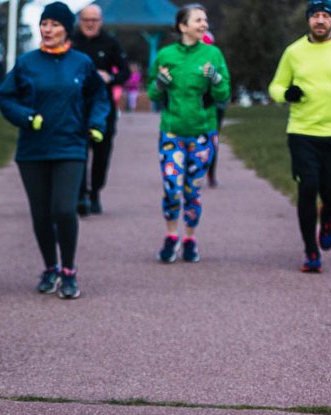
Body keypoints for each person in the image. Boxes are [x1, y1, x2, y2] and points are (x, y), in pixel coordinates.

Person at [0, 1, 110, 299]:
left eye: (55, 25)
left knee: (63, 208)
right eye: (44, 24)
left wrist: (97, 123)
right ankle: (50, 268)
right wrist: (27, 117)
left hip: (71, 146)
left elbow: (100, 96)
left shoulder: (82, 63)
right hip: (33, 151)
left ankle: (69, 271)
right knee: (42, 213)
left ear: (66, 29)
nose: (48, 29)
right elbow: (5, 98)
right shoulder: (26, 63)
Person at [147, 3, 230, 264]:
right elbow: (152, 93)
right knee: (172, 188)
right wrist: (160, 83)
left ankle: (190, 239)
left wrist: (215, 79)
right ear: (183, 26)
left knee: (192, 191)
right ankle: (171, 236)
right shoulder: (166, 55)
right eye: (198, 20)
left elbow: (224, 94)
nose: (204, 24)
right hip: (172, 133)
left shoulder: (213, 55)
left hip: (202, 134)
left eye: (205, 20)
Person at [268, 0, 331, 273]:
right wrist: (286, 94)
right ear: (308, 20)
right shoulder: (294, 52)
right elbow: (276, 86)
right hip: (302, 132)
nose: (320, 20)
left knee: (330, 193)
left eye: (325, 16)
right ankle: (311, 251)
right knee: (307, 188)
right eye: (315, 16)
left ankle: (327, 217)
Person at [72, 2, 129, 216]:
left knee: (102, 154)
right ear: (80, 21)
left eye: (94, 20)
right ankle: (80, 195)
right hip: (76, 106)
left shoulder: (110, 43)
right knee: (78, 153)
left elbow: (125, 72)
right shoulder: (72, 42)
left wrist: (111, 77)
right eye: (86, 20)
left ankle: (95, 192)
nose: (90, 24)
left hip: (104, 108)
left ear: (101, 21)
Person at [201, 31, 227, 189]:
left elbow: (223, 84)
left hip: (215, 107)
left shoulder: (216, 61)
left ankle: (211, 174)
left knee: (212, 140)